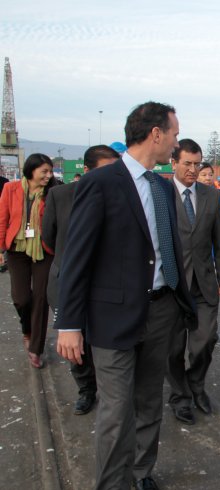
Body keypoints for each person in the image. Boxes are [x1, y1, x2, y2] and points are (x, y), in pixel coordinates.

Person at [54, 101, 196, 490]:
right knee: (116, 415)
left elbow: (167, 250)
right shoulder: (101, 183)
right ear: (155, 134)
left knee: (150, 401)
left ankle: (142, 470)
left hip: (161, 311)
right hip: (112, 319)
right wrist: (68, 324)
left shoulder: (162, 185)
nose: (175, 141)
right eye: (173, 133)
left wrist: (183, 302)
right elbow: (76, 257)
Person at [42, 144, 120, 414]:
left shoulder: (120, 197)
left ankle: (109, 388)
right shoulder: (60, 196)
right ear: (86, 171)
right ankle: (86, 389)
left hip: (106, 286)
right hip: (66, 282)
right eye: (106, 171)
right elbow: (49, 239)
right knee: (74, 344)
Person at [166, 139, 220, 425]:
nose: (193, 170)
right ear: (174, 163)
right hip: (170, 286)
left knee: (205, 340)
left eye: (197, 164)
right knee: (172, 348)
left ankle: (196, 384)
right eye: (187, 164)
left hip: (204, 283)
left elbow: (219, 239)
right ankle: (180, 397)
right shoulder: (161, 194)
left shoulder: (209, 196)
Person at [0, 154, 55, 369]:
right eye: (44, 171)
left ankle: (36, 348)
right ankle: (27, 330)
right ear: (31, 171)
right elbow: (2, 218)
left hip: (44, 250)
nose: (48, 176)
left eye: (50, 171)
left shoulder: (52, 192)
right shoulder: (11, 189)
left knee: (41, 298)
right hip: (17, 249)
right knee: (21, 298)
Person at [197, 162, 220, 244]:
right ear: (196, 176)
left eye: (210, 175)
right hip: (198, 247)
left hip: (219, 247)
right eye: (203, 175)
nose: (208, 178)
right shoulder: (191, 195)